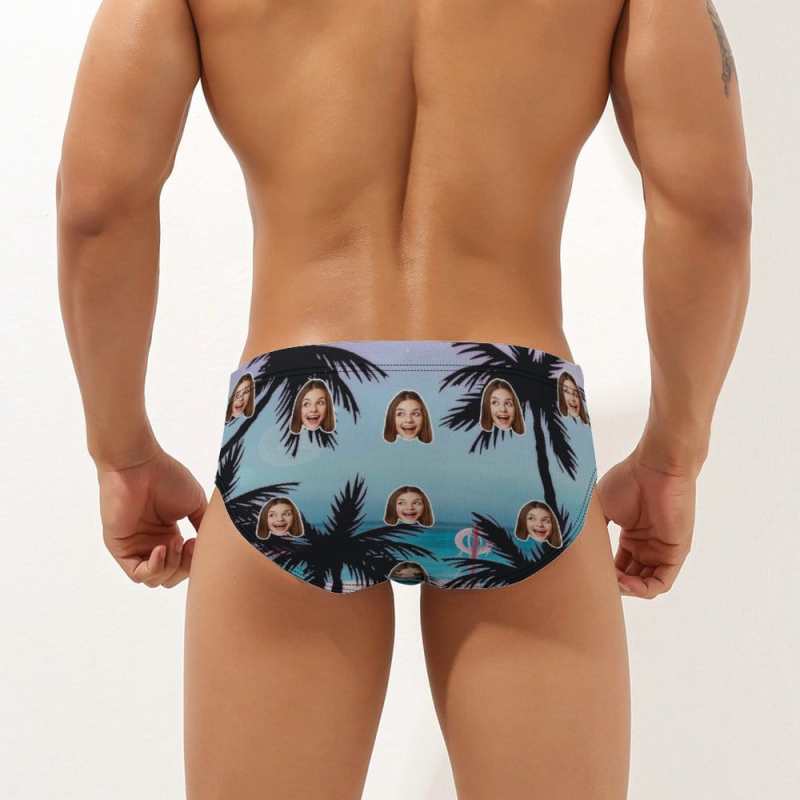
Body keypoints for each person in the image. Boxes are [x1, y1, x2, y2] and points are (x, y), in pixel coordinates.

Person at [55, 0, 751, 797]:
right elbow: (712, 210)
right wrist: (671, 456)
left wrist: (123, 453)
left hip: (299, 417)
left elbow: (97, 206)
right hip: (515, 422)